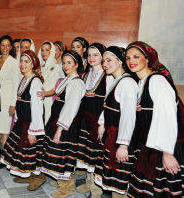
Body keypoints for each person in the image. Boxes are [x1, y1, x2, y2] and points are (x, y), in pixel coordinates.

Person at [126, 41, 184, 198]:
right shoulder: (141, 82)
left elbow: (167, 117)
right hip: (151, 146)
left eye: (136, 56)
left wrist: (167, 152)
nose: (131, 61)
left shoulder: (157, 81)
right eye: (128, 58)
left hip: (165, 146)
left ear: (147, 59)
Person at [39, 50, 85, 198]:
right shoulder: (67, 80)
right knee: (55, 152)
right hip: (56, 121)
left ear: (77, 64)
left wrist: (60, 129)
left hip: (66, 124)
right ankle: (61, 179)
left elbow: (70, 108)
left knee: (62, 154)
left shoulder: (77, 83)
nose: (65, 65)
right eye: (64, 62)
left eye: (69, 63)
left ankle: (67, 187)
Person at [94, 46, 138, 198]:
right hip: (111, 134)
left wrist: (123, 145)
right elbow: (108, 106)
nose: (105, 63)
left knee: (119, 179)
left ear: (120, 61)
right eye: (104, 60)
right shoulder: (115, 80)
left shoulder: (127, 83)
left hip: (120, 137)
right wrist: (101, 123)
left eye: (109, 60)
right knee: (110, 176)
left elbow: (129, 116)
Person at [0, 50, 45, 191]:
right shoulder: (23, 79)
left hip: (31, 125)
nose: (22, 64)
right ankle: (28, 174)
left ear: (33, 64)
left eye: (27, 61)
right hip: (22, 122)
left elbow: (38, 109)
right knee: (24, 152)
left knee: (33, 152)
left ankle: (38, 178)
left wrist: (33, 131)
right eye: (21, 61)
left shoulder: (35, 81)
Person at [75, 43, 113, 197]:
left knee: (96, 154)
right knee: (86, 153)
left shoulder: (108, 76)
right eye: (89, 55)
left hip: (98, 121)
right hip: (85, 119)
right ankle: (88, 182)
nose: (91, 58)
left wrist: (102, 123)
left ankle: (96, 189)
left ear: (102, 56)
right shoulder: (85, 74)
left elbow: (108, 102)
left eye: (95, 55)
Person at [0, 35, 20, 165]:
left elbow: (16, 84)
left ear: (10, 47)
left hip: (7, 101)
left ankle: (4, 154)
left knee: (5, 129)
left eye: (8, 45)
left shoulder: (14, 62)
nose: (5, 48)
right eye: (2, 45)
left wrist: (13, 105)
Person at [38, 41, 62, 123]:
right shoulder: (39, 68)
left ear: (51, 52)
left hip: (50, 101)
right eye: (42, 50)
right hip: (39, 101)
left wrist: (45, 93)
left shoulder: (57, 68)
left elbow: (54, 90)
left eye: (47, 50)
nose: (44, 52)